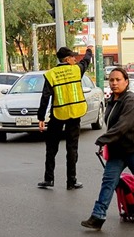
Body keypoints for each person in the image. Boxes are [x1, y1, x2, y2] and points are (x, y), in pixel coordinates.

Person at [81, 68, 134, 230]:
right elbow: (111, 124)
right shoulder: (112, 99)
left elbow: (123, 126)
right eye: (111, 80)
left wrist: (103, 139)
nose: (114, 83)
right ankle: (98, 216)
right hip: (117, 149)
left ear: (126, 81)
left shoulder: (131, 101)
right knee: (109, 181)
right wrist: (107, 142)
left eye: (118, 80)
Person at [37, 46, 93, 190]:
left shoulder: (51, 74)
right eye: (73, 57)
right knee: (72, 148)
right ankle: (71, 181)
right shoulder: (76, 70)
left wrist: (41, 117)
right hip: (74, 114)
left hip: (58, 114)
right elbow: (86, 61)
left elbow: (45, 97)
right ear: (67, 59)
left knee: (51, 147)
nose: (75, 59)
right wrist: (89, 50)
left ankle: (49, 179)